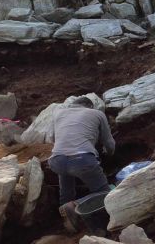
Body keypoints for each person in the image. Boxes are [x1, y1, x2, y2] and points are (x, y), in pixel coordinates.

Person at [47, 96, 114, 230]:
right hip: (82, 160)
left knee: (66, 189)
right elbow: (109, 143)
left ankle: (69, 219)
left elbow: (51, 139)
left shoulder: (58, 113)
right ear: (90, 107)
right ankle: (76, 205)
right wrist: (110, 154)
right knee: (104, 192)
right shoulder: (97, 113)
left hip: (56, 160)